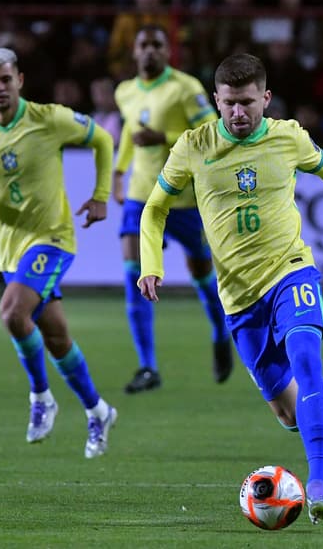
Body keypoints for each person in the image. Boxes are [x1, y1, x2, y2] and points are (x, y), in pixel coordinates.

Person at [137, 53, 323, 523]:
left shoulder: (288, 137)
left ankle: (319, 485)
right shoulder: (194, 145)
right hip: (239, 297)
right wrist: (152, 262)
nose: (239, 114)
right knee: (290, 415)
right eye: (229, 104)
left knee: (306, 358)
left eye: (247, 103)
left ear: (265, 98)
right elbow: (154, 208)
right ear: (216, 101)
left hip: (290, 271)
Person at [0, 47, 118, 458]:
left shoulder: (49, 118)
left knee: (11, 313)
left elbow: (103, 139)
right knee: (55, 338)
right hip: (11, 254)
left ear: (19, 80)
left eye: (6, 79)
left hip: (52, 239)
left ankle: (41, 397)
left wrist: (101, 196)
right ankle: (98, 409)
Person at [114, 25, 230, 393]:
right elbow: (132, 138)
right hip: (141, 197)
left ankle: (220, 332)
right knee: (135, 273)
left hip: (183, 198)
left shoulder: (186, 88)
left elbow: (213, 134)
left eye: (157, 45)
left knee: (201, 274)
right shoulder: (125, 91)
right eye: (143, 44)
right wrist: (118, 173)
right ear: (134, 52)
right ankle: (147, 367)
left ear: (168, 52)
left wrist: (162, 139)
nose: (149, 51)